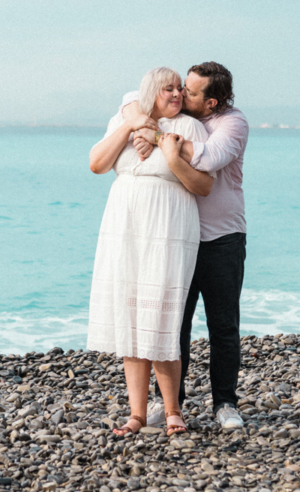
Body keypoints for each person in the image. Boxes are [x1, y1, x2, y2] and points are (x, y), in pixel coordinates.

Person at [118, 62, 249, 431]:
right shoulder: (174, 117)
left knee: (223, 325)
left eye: (190, 92)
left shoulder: (232, 124)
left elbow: (208, 159)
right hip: (176, 238)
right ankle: (171, 405)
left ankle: (225, 403)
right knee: (174, 324)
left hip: (222, 237)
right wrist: (143, 122)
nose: (180, 95)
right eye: (180, 88)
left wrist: (155, 135)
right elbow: (132, 98)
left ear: (210, 103)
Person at [86, 67, 214, 437]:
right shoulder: (124, 119)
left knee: (161, 315)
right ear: (149, 92)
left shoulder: (189, 128)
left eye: (179, 89)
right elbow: (97, 164)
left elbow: (205, 182)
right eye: (167, 89)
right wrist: (130, 128)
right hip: (124, 227)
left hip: (168, 228)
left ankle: (173, 409)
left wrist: (158, 139)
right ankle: (137, 414)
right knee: (131, 315)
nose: (176, 94)